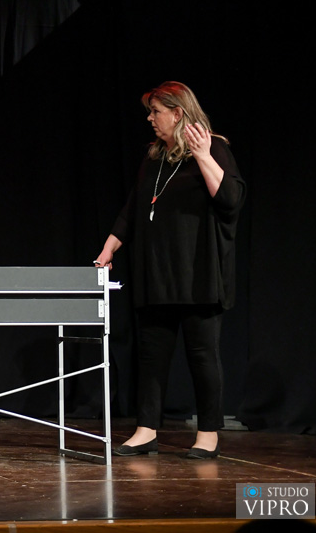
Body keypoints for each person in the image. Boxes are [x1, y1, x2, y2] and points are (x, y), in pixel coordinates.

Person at [94, 81, 245, 459]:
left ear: (178, 113)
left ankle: (208, 434)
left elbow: (231, 201)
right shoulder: (153, 158)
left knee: (202, 356)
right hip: (157, 273)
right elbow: (133, 209)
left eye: (156, 111)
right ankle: (146, 431)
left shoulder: (215, 148)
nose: (150, 118)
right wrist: (108, 249)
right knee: (151, 357)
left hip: (198, 274)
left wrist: (204, 155)